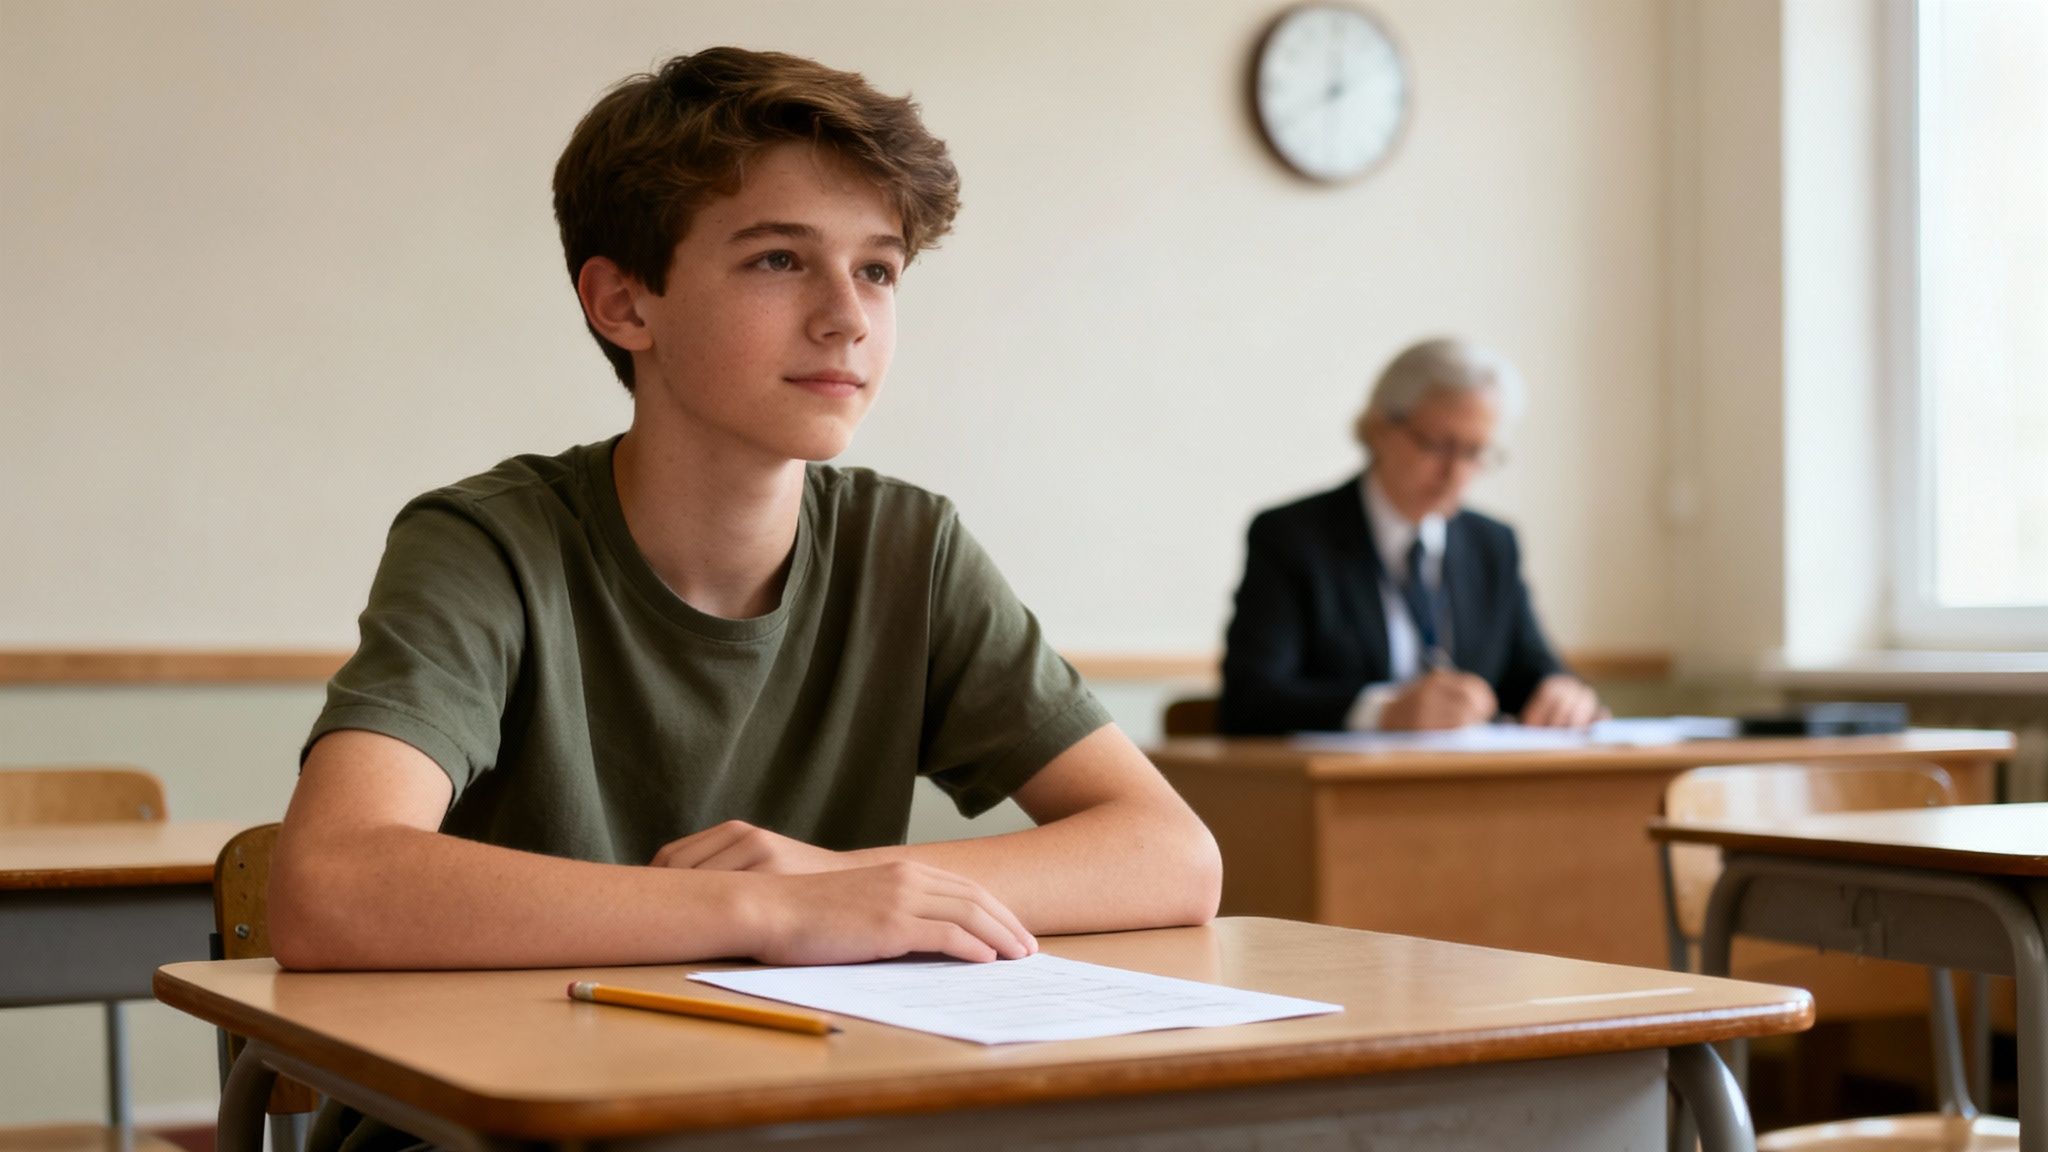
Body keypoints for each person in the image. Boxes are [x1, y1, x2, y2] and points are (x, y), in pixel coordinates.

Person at [271, 49, 1220, 982]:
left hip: (791, 1102)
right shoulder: (489, 546)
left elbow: (1172, 856)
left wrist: (840, 882)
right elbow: (329, 884)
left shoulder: (908, 548)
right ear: (624, 303)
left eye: (879, 271)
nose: (847, 316)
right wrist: (773, 909)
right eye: (779, 258)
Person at [1218, 338, 1601, 734]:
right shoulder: (1293, 538)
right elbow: (1251, 700)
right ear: (1380, 428)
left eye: (1475, 453)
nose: (1456, 473)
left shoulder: (1492, 545)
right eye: (1439, 446)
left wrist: (1562, 693)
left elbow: (1533, 667)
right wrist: (1383, 713)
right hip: (1344, 789)